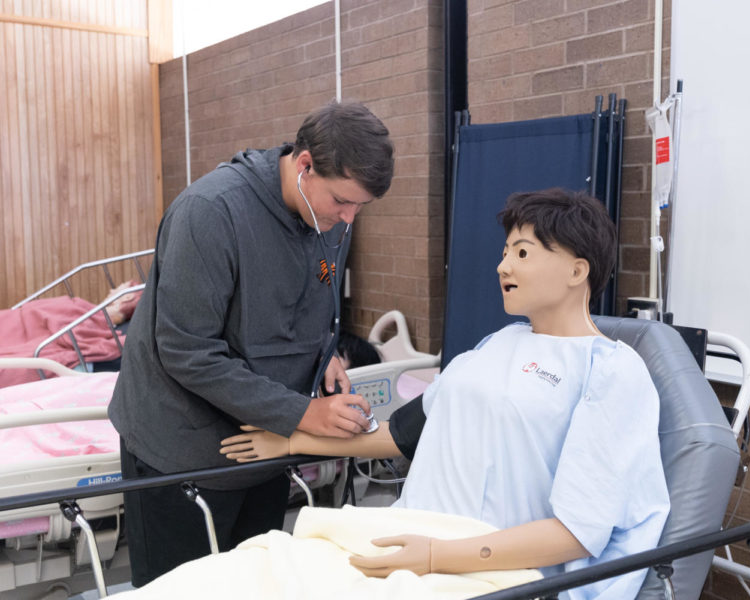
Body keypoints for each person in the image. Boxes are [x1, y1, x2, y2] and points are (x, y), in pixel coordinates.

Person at [220, 188, 671, 599]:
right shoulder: (495, 345)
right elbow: (401, 433)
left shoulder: (611, 371)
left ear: (578, 270)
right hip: (405, 536)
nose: (503, 265)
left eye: (522, 252)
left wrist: (436, 556)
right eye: (504, 251)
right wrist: (292, 441)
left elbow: (577, 532)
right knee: (245, 576)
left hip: (486, 572)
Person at [107, 100, 395, 586]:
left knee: (254, 586)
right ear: (304, 165)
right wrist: (306, 415)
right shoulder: (211, 213)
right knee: (179, 591)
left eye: (359, 207)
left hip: (266, 447)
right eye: (342, 202)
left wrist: (322, 356)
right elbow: (187, 352)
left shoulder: (329, 218)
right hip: (181, 451)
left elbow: (312, 299)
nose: (348, 219)